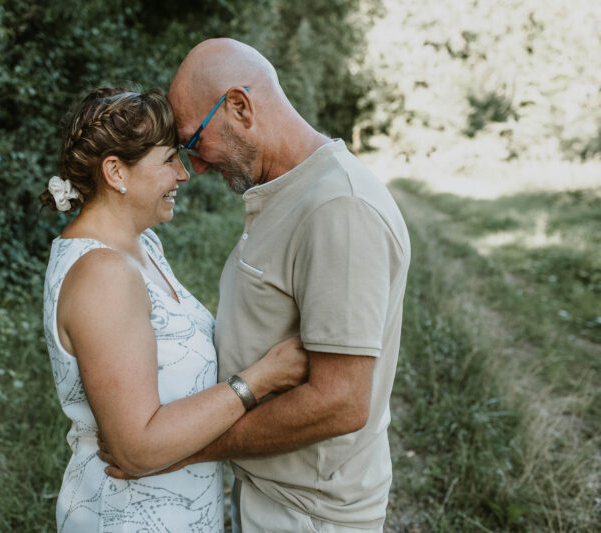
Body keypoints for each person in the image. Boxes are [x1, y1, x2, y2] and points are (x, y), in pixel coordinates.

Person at [101, 39, 412, 532]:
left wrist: (186, 449)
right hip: (269, 495)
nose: (196, 167)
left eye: (194, 142)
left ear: (239, 107)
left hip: (309, 515)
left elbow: (340, 403)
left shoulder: (339, 208)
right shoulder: (287, 192)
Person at [40, 87, 308, 532]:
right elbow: (136, 449)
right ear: (116, 172)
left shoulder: (142, 244)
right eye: (168, 160)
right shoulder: (103, 274)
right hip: (128, 518)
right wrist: (261, 379)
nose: (183, 175)